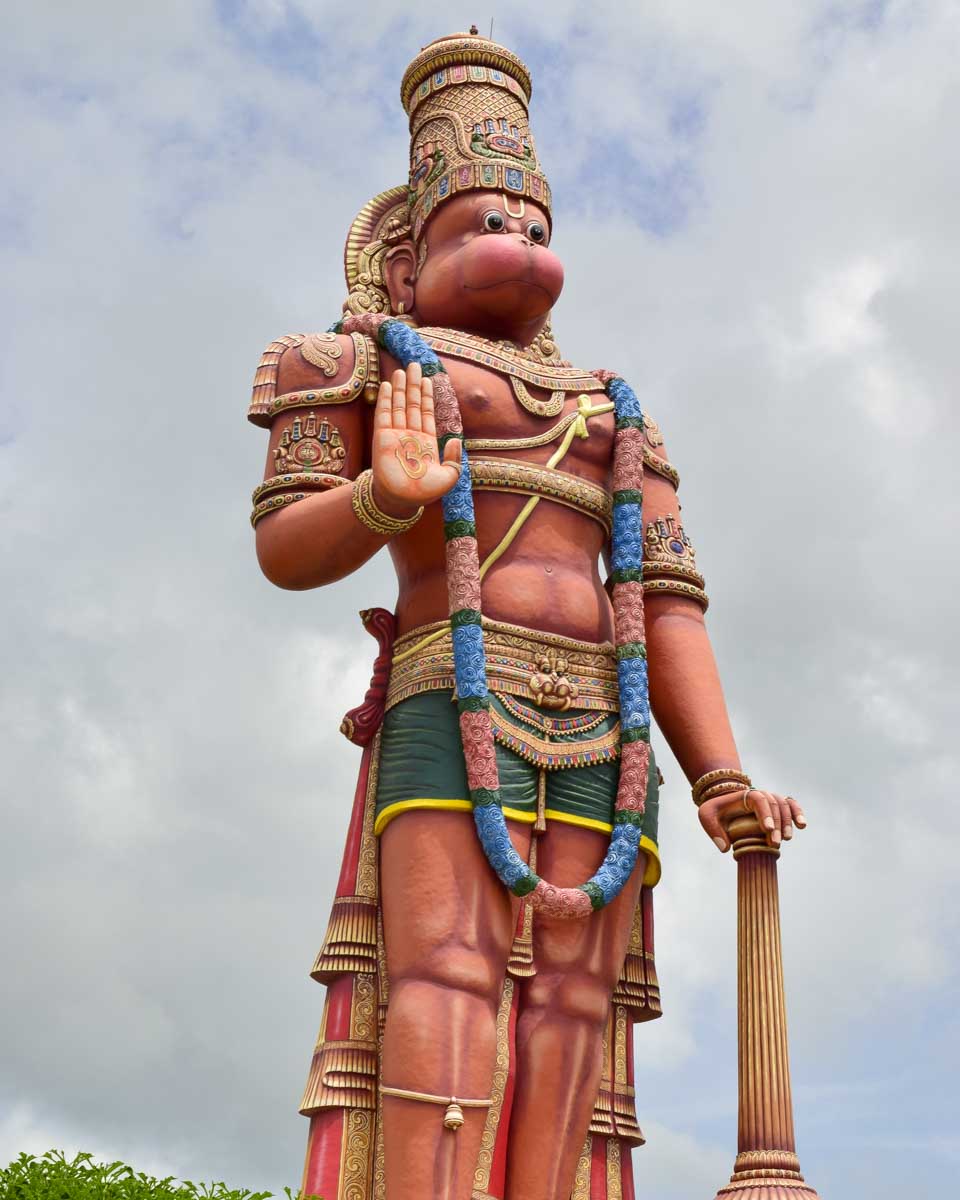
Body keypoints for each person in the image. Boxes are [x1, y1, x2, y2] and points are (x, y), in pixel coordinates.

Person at [247, 31, 805, 1200]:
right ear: (406, 265)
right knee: (445, 976)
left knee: (572, 1004)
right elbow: (286, 546)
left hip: (608, 722)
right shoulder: (353, 363)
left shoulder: (615, 412)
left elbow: (668, 600)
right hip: (452, 696)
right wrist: (380, 495)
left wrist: (720, 778)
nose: (523, 244)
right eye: (487, 223)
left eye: (538, 228)